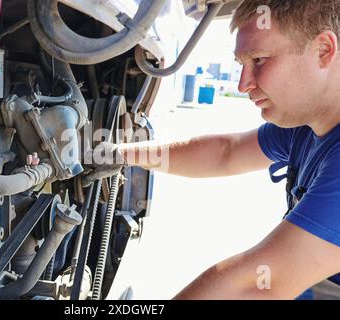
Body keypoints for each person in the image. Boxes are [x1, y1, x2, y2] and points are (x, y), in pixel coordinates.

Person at [83, 0, 340, 299]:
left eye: (259, 60)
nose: (244, 84)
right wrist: (122, 153)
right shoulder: (303, 129)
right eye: (242, 65)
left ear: (323, 50)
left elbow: (257, 284)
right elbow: (226, 152)